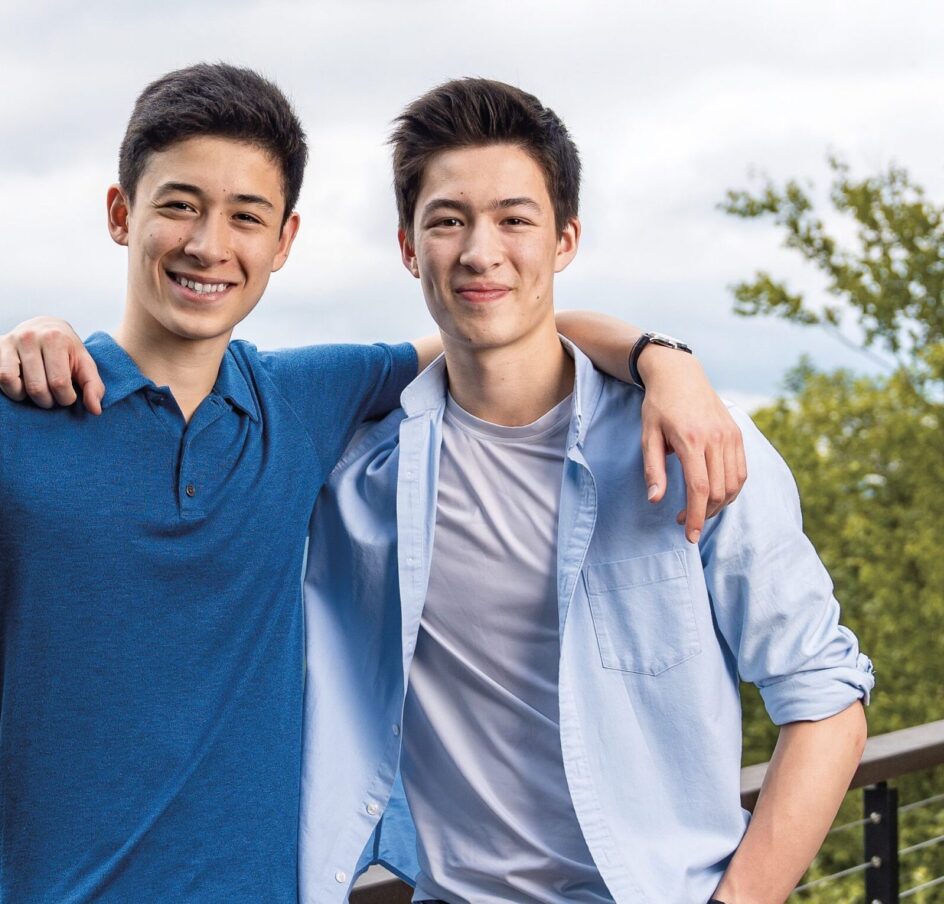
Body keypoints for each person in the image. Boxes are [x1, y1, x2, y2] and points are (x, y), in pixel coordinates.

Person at [0, 64, 742, 903]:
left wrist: (663, 357)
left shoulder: (306, 401)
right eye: (178, 203)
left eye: (245, 216)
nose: (206, 243)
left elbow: (499, 320)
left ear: (284, 242)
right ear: (120, 213)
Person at [296, 79, 873, 903]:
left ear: (565, 239)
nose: (479, 250)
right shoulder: (356, 469)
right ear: (407, 245)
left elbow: (825, 702)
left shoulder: (694, 446)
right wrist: (55, 348)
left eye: (514, 219)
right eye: (447, 220)